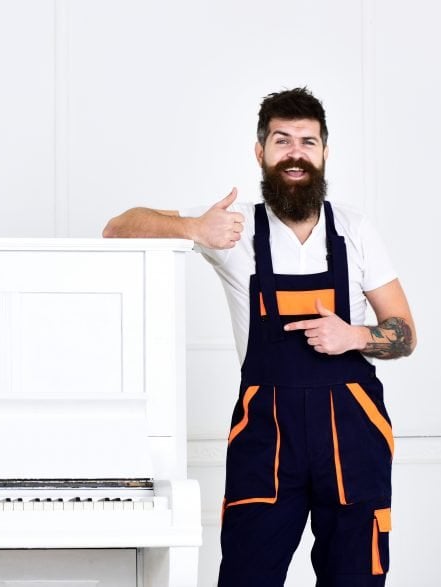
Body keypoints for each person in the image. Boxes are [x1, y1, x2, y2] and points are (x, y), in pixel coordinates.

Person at [103, 87, 416, 586]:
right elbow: (118, 229)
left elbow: (404, 333)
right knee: (248, 574)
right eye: (282, 140)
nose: (295, 153)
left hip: (352, 432)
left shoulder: (355, 230)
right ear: (260, 152)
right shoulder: (235, 229)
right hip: (268, 437)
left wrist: (352, 335)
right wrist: (194, 229)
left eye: (308, 142)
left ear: (325, 152)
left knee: (356, 575)